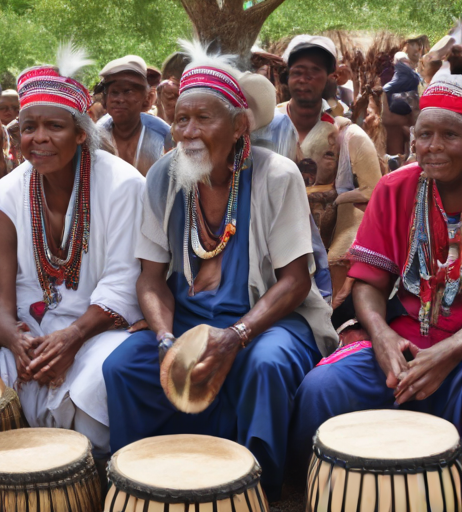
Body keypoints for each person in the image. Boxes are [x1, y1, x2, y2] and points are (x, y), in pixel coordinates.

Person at [102, 41, 338, 502]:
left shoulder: (277, 175)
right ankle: (147, 484)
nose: (187, 132)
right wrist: (168, 341)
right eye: (181, 119)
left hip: (270, 319)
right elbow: (150, 279)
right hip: (185, 323)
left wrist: (238, 335)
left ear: (238, 126)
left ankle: (252, 491)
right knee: (124, 366)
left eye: (203, 119)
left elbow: (296, 281)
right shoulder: (164, 177)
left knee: (266, 364)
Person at [0, 46, 145, 458]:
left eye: (55, 126)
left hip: (101, 329)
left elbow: (124, 277)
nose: (40, 138)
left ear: (81, 132)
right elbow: (2, 298)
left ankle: (93, 474)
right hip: (30, 333)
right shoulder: (3, 197)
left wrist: (72, 337)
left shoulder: (123, 184)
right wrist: (17, 342)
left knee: (97, 380)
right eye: (29, 127)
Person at [291, 65, 462, 471]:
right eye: (424, 134)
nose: (433, 146)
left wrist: (448, 351)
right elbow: (367, 282)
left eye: (450, 135)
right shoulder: (395, 188)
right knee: (322, 389)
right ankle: (317, 488)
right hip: (401, 337)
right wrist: (382, 336)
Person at [275, 35, 382, 305]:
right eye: (298, 71)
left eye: (315, 71)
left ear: (330, 76)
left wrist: (338, 201)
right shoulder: (267, 126)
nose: (305, 78)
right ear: (287, 76)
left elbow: (376, 195)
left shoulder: (348, 134)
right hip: (273, 245)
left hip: (331, 247)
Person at [97, 55, 171, 176]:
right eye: (114, 93)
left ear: (146, 98)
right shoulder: (96, 136)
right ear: (105, 100)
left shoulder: (162, 134)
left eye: (128, 92)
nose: (120, 99)